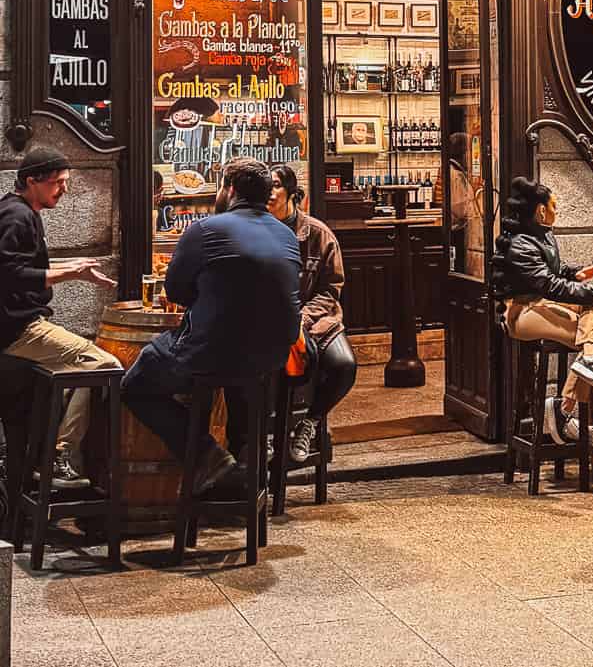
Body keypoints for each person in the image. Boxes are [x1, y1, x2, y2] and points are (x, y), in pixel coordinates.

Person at [121, 156, 301, 494]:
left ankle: (207, 456)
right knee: (239, 375)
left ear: (229, 190)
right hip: (271, 358)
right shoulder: (286, 235)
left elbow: (176, 291)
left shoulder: (205, 230)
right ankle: (244, 483)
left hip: (212, 355)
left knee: (136, 384)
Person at [0, 145, 118, 485]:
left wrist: (76, 268)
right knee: (104, 366)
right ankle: (58, 454)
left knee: (75, 368)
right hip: (19, 330)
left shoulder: (20, 211)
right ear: (33, 180)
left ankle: (43, 450)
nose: (64, 190)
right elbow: (8, 272)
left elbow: (28, 266)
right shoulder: (17, 216)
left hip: (23, 326)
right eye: (58, 182)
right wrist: (70, 274)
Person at [492, 176, 593, 456]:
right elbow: (545, 284)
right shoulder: (521, 243)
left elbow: (551, 272)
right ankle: (564, 409)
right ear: (540, 210)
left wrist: (576, 274)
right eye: (554, 206)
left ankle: (567, 401)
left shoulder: (543, 233)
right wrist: (587, 291)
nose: (556, 211)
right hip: (520, 312)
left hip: (541, 302)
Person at [268, 165, 357, 463]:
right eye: (266, 185)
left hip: (318, 321)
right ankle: (264, 433)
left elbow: (331, 289)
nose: (270, 191)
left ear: (292, 193)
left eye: (277, 185)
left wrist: (302, 319)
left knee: (344, 365)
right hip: (275, 324)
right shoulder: (260, 231)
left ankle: (311, 422)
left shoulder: (318, 234)